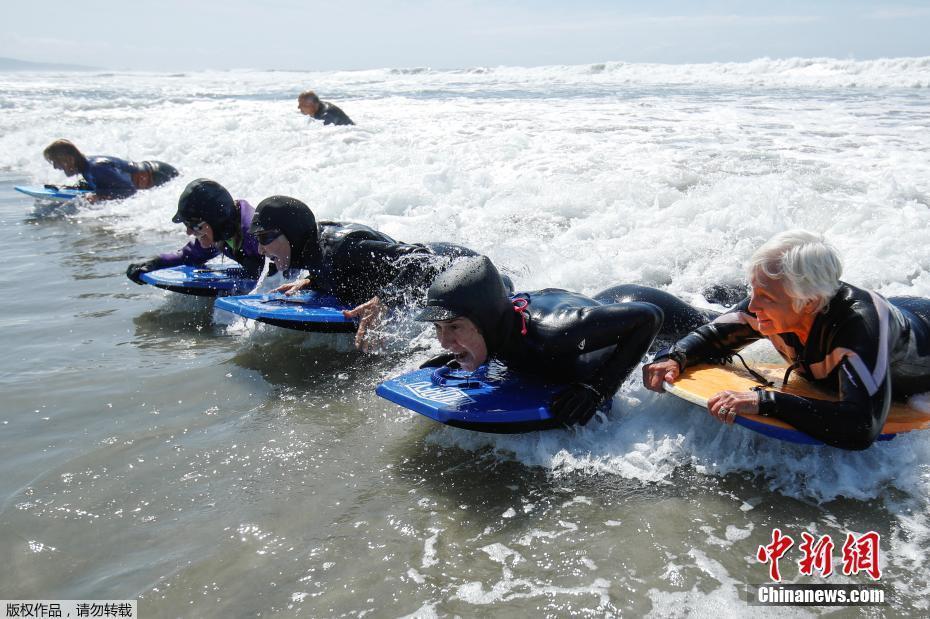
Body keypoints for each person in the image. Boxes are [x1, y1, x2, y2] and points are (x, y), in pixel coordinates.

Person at [642, 229, 930, 450]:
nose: (752, 306)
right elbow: (714, 335)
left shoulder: (860, 329)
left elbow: (860, 428)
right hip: (904, 311)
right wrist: (675, 356)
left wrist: (765, 401)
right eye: (753, 292)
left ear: (809, 302)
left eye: (765, 297)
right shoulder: (775, 301)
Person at [416, 256, 665, 428]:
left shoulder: (553, 333)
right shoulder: (495, 321)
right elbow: (501, 282)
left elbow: (649, 317)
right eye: (438, 328)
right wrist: (463, 354)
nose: (444, 341)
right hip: (592, 313)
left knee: (703, 321)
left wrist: (598, 389)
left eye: (454, 327)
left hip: (640, 308)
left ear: (487, 322)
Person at [247, 196, 479, 349]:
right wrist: (312, 280)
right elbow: (348, 271)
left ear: (293, 233)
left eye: (265, 237)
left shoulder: (343, 246)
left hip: (459, 266)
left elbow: (424, 260)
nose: (260, 249)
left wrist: (383, 299)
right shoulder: (313, 251)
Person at [126, 179, 268, 284]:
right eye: (186, 224)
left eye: (192, 224)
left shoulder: (255, 234)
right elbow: (189, 255)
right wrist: (154, 262)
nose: (188, 232)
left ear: (215, 219)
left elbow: (287, 269)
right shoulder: (223, 231)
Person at [43, 139, 178, 200]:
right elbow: (103, 184)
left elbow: (129, 190)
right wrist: (69, 188)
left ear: (69, 159)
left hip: (161, 174)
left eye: (56, 162)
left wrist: (98, 196)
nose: (56, 167)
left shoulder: (97, 168)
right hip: (155, 169)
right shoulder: (86, 168)